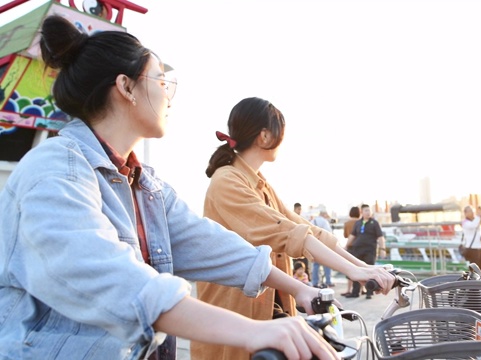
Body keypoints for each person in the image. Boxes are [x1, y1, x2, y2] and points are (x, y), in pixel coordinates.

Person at [0, 15, 339, 360]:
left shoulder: (144, 184)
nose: (169, 97)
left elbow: (210, 243)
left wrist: (299, 288)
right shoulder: (55, 170)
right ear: (126, 87)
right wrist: (252, 332)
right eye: (161, 81)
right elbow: (112, 279)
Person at [195, 97, 395, 360]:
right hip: (238, 312)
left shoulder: (261, 184)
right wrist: (353, 270)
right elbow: (287, 232)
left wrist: (363, 268)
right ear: (265, 136)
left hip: (269, 309)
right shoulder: (227, 181)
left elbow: (306, 228)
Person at [344, 204, 387, 299]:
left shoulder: (374, 223)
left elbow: (380, 237)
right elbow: (352, 235)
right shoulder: (358, 223)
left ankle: (369, 292)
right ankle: (355, 292)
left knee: (370, 271)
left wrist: (382, 249)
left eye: (369, 210)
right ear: (362, 212)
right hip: (357, 250)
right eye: (366, 210)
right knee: (356, 270)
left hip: (370, 250)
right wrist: (346, 246)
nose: (368, 212)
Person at [460, 205, 481, 273]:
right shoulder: (465, 222)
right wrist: (478, 216)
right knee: (475, 270)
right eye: (470, 211)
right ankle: (475, 283)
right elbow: (473, 225)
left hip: (479, 248)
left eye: (472, 211)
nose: (472, 212)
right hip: (472, 249)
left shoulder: (475, 220)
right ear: (465, 213)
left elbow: (480, 225)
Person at [310, 210, 336, 288]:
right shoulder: (324, 221)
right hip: (323, 245)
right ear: (324, 214)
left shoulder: (312, 221)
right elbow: (328, 233)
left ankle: (315, 282)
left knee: (315, 265)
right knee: (327, 264)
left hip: (314, 244)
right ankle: (328, 281)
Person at [342, 206, 361, 296]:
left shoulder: (347, 223)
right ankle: (363, 289)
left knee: (349, 268)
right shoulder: (361, 222)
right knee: (361, 268)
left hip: (350, 247)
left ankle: (348, 289)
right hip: (360, 246)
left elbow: (345, 235)